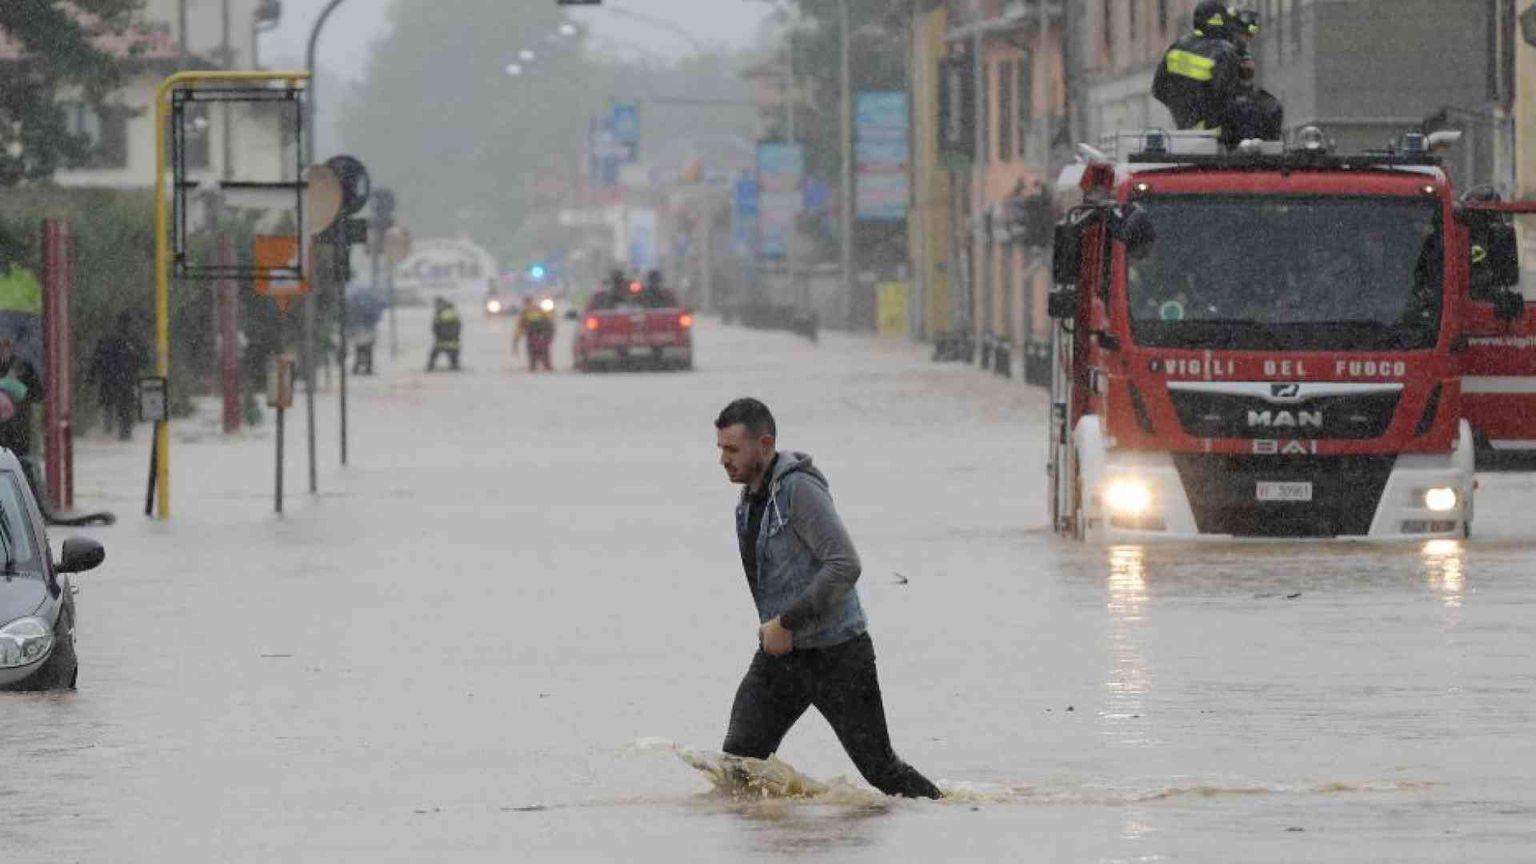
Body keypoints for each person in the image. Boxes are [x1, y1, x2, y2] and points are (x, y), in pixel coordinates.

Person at [713, 398, 942, 799]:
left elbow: (844, 564)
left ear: (765, 443)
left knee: (882, 770)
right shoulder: (749, 500)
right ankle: (763, 841)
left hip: (838, 655)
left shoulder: (799, 489)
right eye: (720, 449)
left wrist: (787, 622)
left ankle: (951, 818)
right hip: (781, 657)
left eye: (732, 450)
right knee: (738, 765)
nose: (723, 460)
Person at [1152, 2, 1242, 135]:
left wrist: (1182, 112)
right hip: (1215, 136)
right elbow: (1227, 96)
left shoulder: (1177, 46)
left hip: (1184, 134)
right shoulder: (1225, 52)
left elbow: (1158, 89)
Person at [88, 311, 147, 440]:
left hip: (113, 380)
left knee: (114, 408)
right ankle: (121, 433)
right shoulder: (132, 340)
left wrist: (92, 376)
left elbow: (97, 359)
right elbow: (144, 361)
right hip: (123, 380)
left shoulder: (110, 339)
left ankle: (115, 432)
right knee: (122, 409)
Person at [512, 297, 555, 372]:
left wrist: (515, 342)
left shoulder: (536, 311)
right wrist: (515, 342)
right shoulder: (527, 312)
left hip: (541, 336)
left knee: (541, 353)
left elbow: (550, 322)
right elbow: (520, 328)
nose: (529, 306)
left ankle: (540, 366)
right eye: (527, 304)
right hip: (536, 336)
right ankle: (539, 366)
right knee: (538, 354)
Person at [426, 296, 461, 372]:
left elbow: (437, 326)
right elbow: (458, 325)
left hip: (443, 339)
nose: (436, 307)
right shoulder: (451, 311)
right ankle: (454, 366)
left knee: (435, 353)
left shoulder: (443, 313)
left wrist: (438, 334)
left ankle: (430, 367)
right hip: (453, 339)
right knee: (453, 354)